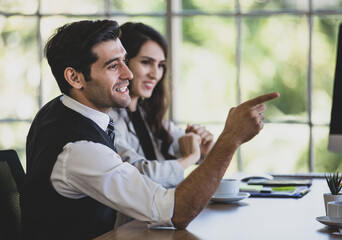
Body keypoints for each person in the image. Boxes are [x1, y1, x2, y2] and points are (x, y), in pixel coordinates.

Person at [20, 19, 279, 240]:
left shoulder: (59, 110)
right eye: (113, 66)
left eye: (124, 60)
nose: (128, 74)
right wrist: (230, 138)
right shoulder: (80, 149)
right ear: (74, 78)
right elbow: (177, 212)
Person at [108, 22, 214, 189]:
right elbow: (138, 174)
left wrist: (203, 146)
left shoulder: (147, 115)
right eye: (146, 62)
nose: (155, 74)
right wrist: (191, 157)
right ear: (123, 62)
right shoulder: (108, 120)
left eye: (161, 65)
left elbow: (187, 142)